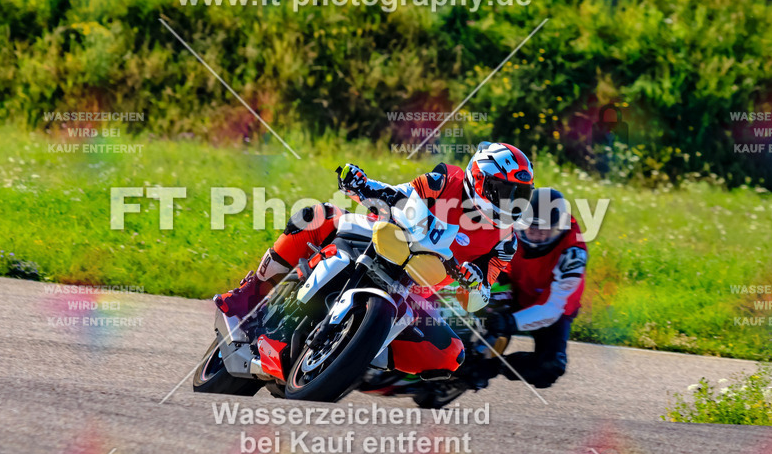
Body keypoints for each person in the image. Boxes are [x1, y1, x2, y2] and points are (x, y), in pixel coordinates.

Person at [213, 142, 536, 375]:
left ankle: (360, 356)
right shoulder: (446, 180)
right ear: (480, 180)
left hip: (419, 292)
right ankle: (250, 294)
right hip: (390, 241)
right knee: (318, 215)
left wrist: (474, 282)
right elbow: (402, 192)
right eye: (506, 192)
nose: (513, 203)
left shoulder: (506, 241)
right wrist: (363, 184)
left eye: (519, 196)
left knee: (452, 354)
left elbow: (480, 295)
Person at [485, 187, 587, 389]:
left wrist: (508, 322)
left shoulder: (574, 253)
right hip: (512, 284)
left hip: (553, 306)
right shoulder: (507, 222)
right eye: (530, 227)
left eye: (544, 229)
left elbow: (551, 309)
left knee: (549, 368)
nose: (535, 235)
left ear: (559, 227)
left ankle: (493, 366)